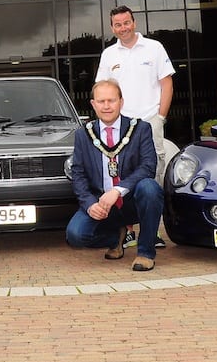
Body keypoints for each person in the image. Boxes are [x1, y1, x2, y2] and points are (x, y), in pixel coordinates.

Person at [96, 4, 175, 249]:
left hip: (150, 121)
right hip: (121, 124)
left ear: (134, 23)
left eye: (126, 23)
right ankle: (128, 231)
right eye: (117, 24)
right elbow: (102, 89)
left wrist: (160, 117)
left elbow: (167, 84)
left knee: (153, 176)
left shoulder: (154, 48)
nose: (123, 28)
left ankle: (152, 232)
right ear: (112, 27)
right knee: (120, 174)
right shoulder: (109, 54)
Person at [65, 79, 164, 272]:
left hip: (131, 200)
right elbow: (78, 174)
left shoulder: (140, 129)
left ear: (121, 102)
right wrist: (89, 204)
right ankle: (115, 237)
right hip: (101, 203)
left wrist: (117, 191)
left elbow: (148, 166)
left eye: (111, 100)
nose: (106, 106)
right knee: (75, 235)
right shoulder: (83, 135)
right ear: (93, 104)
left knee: (150, 188)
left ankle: (145, 253)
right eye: (101, 101)